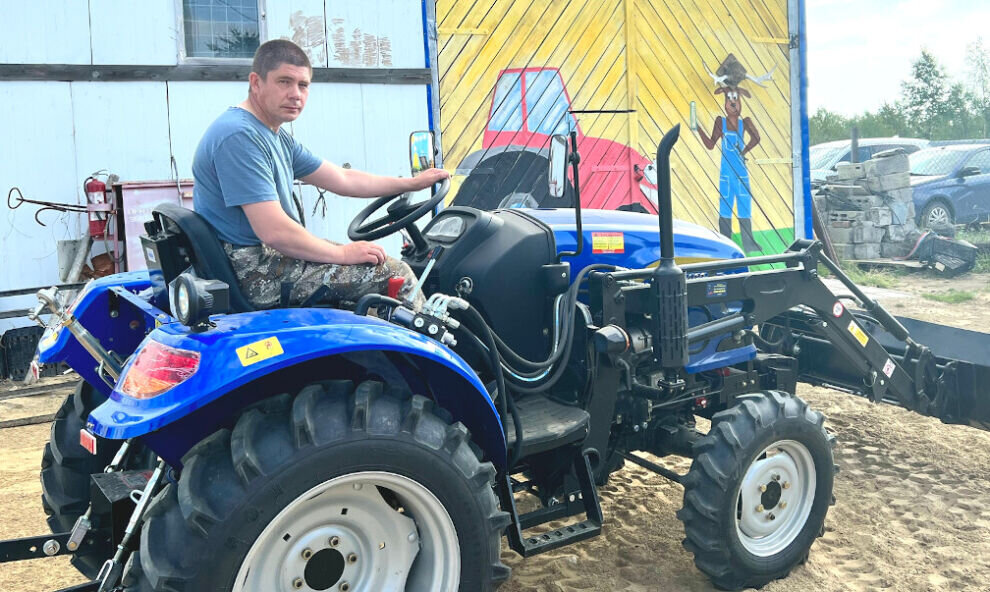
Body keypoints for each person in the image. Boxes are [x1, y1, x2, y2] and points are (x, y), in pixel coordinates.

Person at [192, 39, 447, 310]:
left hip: (266, 260)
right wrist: (343, 253)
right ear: (256, 82)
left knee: (371, 262)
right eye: (284, 82)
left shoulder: (272, 135)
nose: (296, 94)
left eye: (303, 85)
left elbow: (342, 179)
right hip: (254, 273)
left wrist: (410, 183)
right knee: (398, 274)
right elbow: (274, 232)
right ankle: (429, 349)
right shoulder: (240, 136)